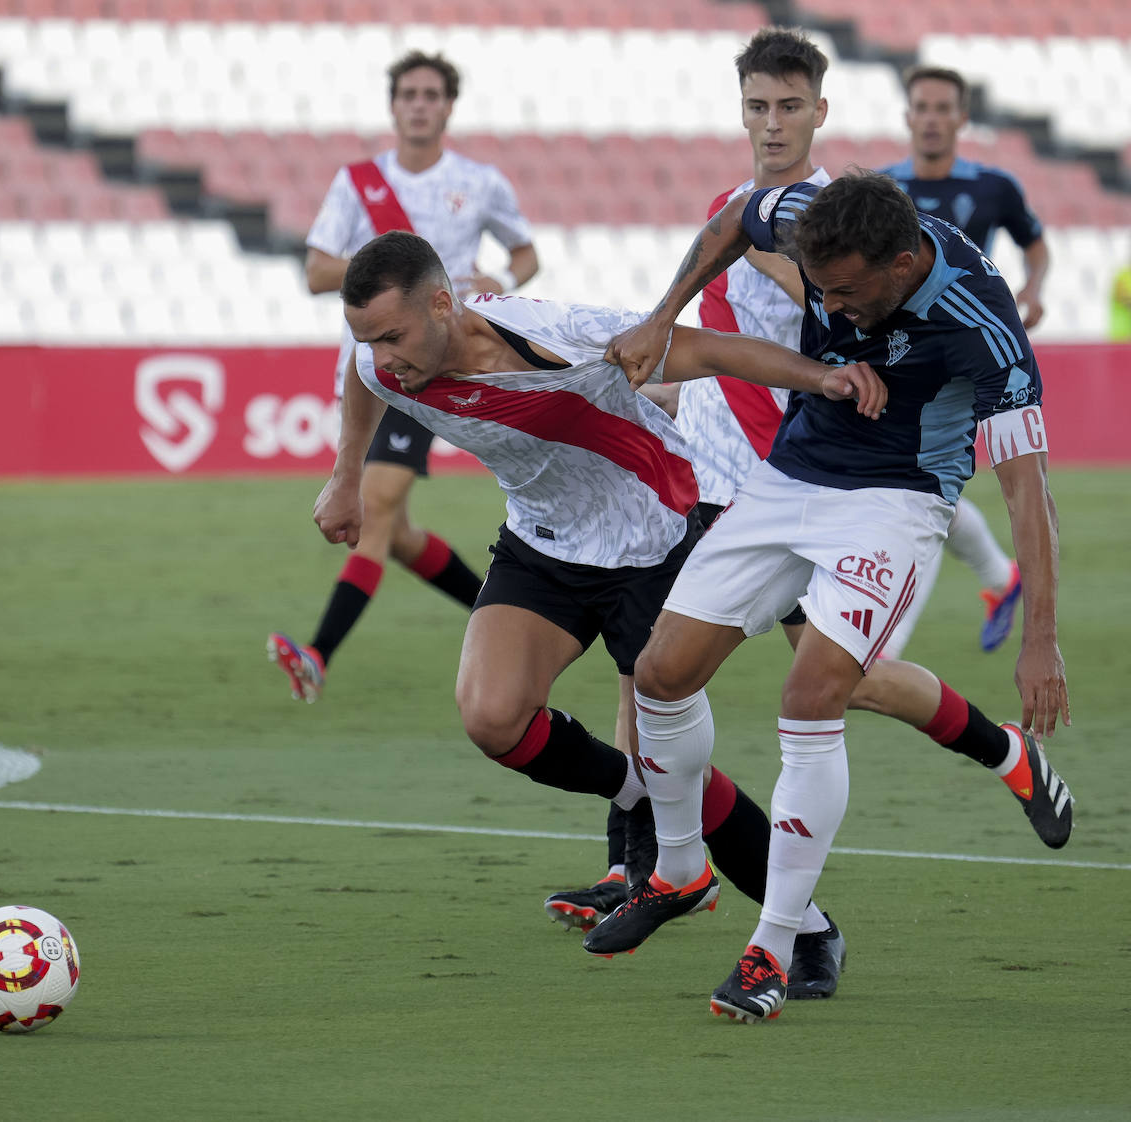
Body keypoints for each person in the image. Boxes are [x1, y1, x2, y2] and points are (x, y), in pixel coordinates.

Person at [547, 27, 1072, 1001]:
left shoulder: (984, 333)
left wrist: (1040, 635)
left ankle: (777, 946)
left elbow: (1026, 487)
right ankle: (679, 865)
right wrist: (665, 315)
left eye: (841, 295)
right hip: (786, 479)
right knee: (660, 671)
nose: (826, 307)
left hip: (895, 505)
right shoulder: (813, 214)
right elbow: (733, 222)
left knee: (817, 692)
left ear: (903, 261)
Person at [314, 228, 889, 982]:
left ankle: (809, 931)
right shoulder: (385, 359)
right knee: (493, 717)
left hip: (650, 540)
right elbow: (364, 378)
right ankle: (637, 797)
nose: (383, 355)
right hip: (543, 543)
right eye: (368, 337)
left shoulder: (562, 335)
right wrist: (346, 474)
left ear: (445, 304)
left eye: (393, 334)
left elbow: (711, 350)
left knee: (682, 766)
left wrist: (825, 377)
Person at [268, 50, 539, 703]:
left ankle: (318, 653)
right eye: (409, 94)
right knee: (397, 533)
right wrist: (394, 271)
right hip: (365, 368)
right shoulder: (357, 182)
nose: (419, 104)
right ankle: (510, 614)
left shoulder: (479, 182)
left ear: (448, 106)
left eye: (431, 94)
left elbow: (525, 254)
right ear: (394, 106)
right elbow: (315, 272)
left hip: (428, 368)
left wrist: (499, 280)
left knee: (377, 506)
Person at [878, 63, 1049, 655]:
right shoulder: (883, 189)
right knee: (928, 486)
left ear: (961, 118)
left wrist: (1032, 290)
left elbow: (1035, 241)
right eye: (921, 108)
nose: (930, 119)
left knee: (925, 482)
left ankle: (884, 646)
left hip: (965, 359)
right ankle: (1002, 580)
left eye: (942, 109)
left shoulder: (992, 186)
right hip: (899, 358)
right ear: (907, 117)